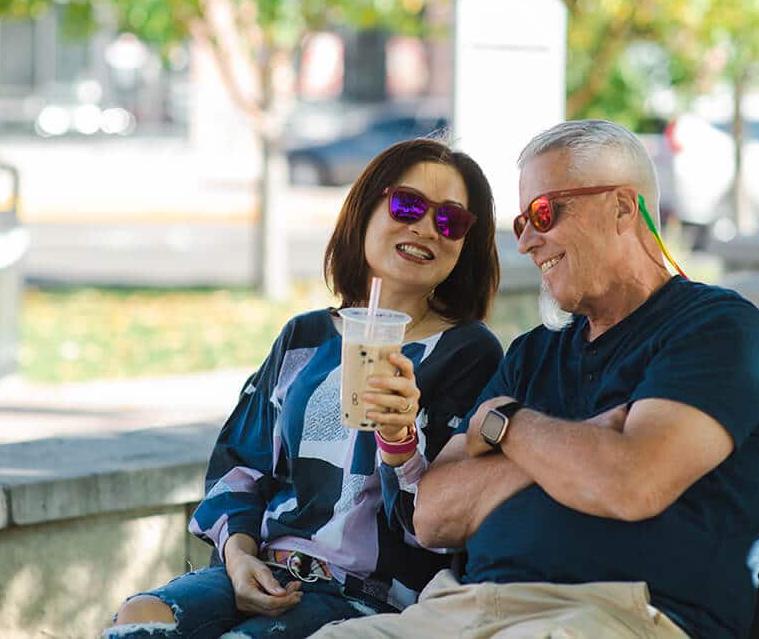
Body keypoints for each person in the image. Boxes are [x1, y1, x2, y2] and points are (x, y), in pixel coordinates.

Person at [310, 119, 759, 639]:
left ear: (622, 208)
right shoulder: (531, 354)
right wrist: (581, 446)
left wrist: (507, 426)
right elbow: (433, 515)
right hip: (464, 609)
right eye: (521, 224)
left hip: (619, 615)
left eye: (544, 213)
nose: (528, 244)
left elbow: (630, 482)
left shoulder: (716, 327)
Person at [104, 138, 504, 639]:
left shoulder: (468, 353)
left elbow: (438, 525)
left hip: (368, 595)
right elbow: (239, 463)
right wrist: (239, 558)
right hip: (266, 565)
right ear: (367, 208)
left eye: (451, 221)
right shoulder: (305, 337)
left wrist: (401, 440)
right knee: (139, 618)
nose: (425, 227)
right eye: (408, 205)